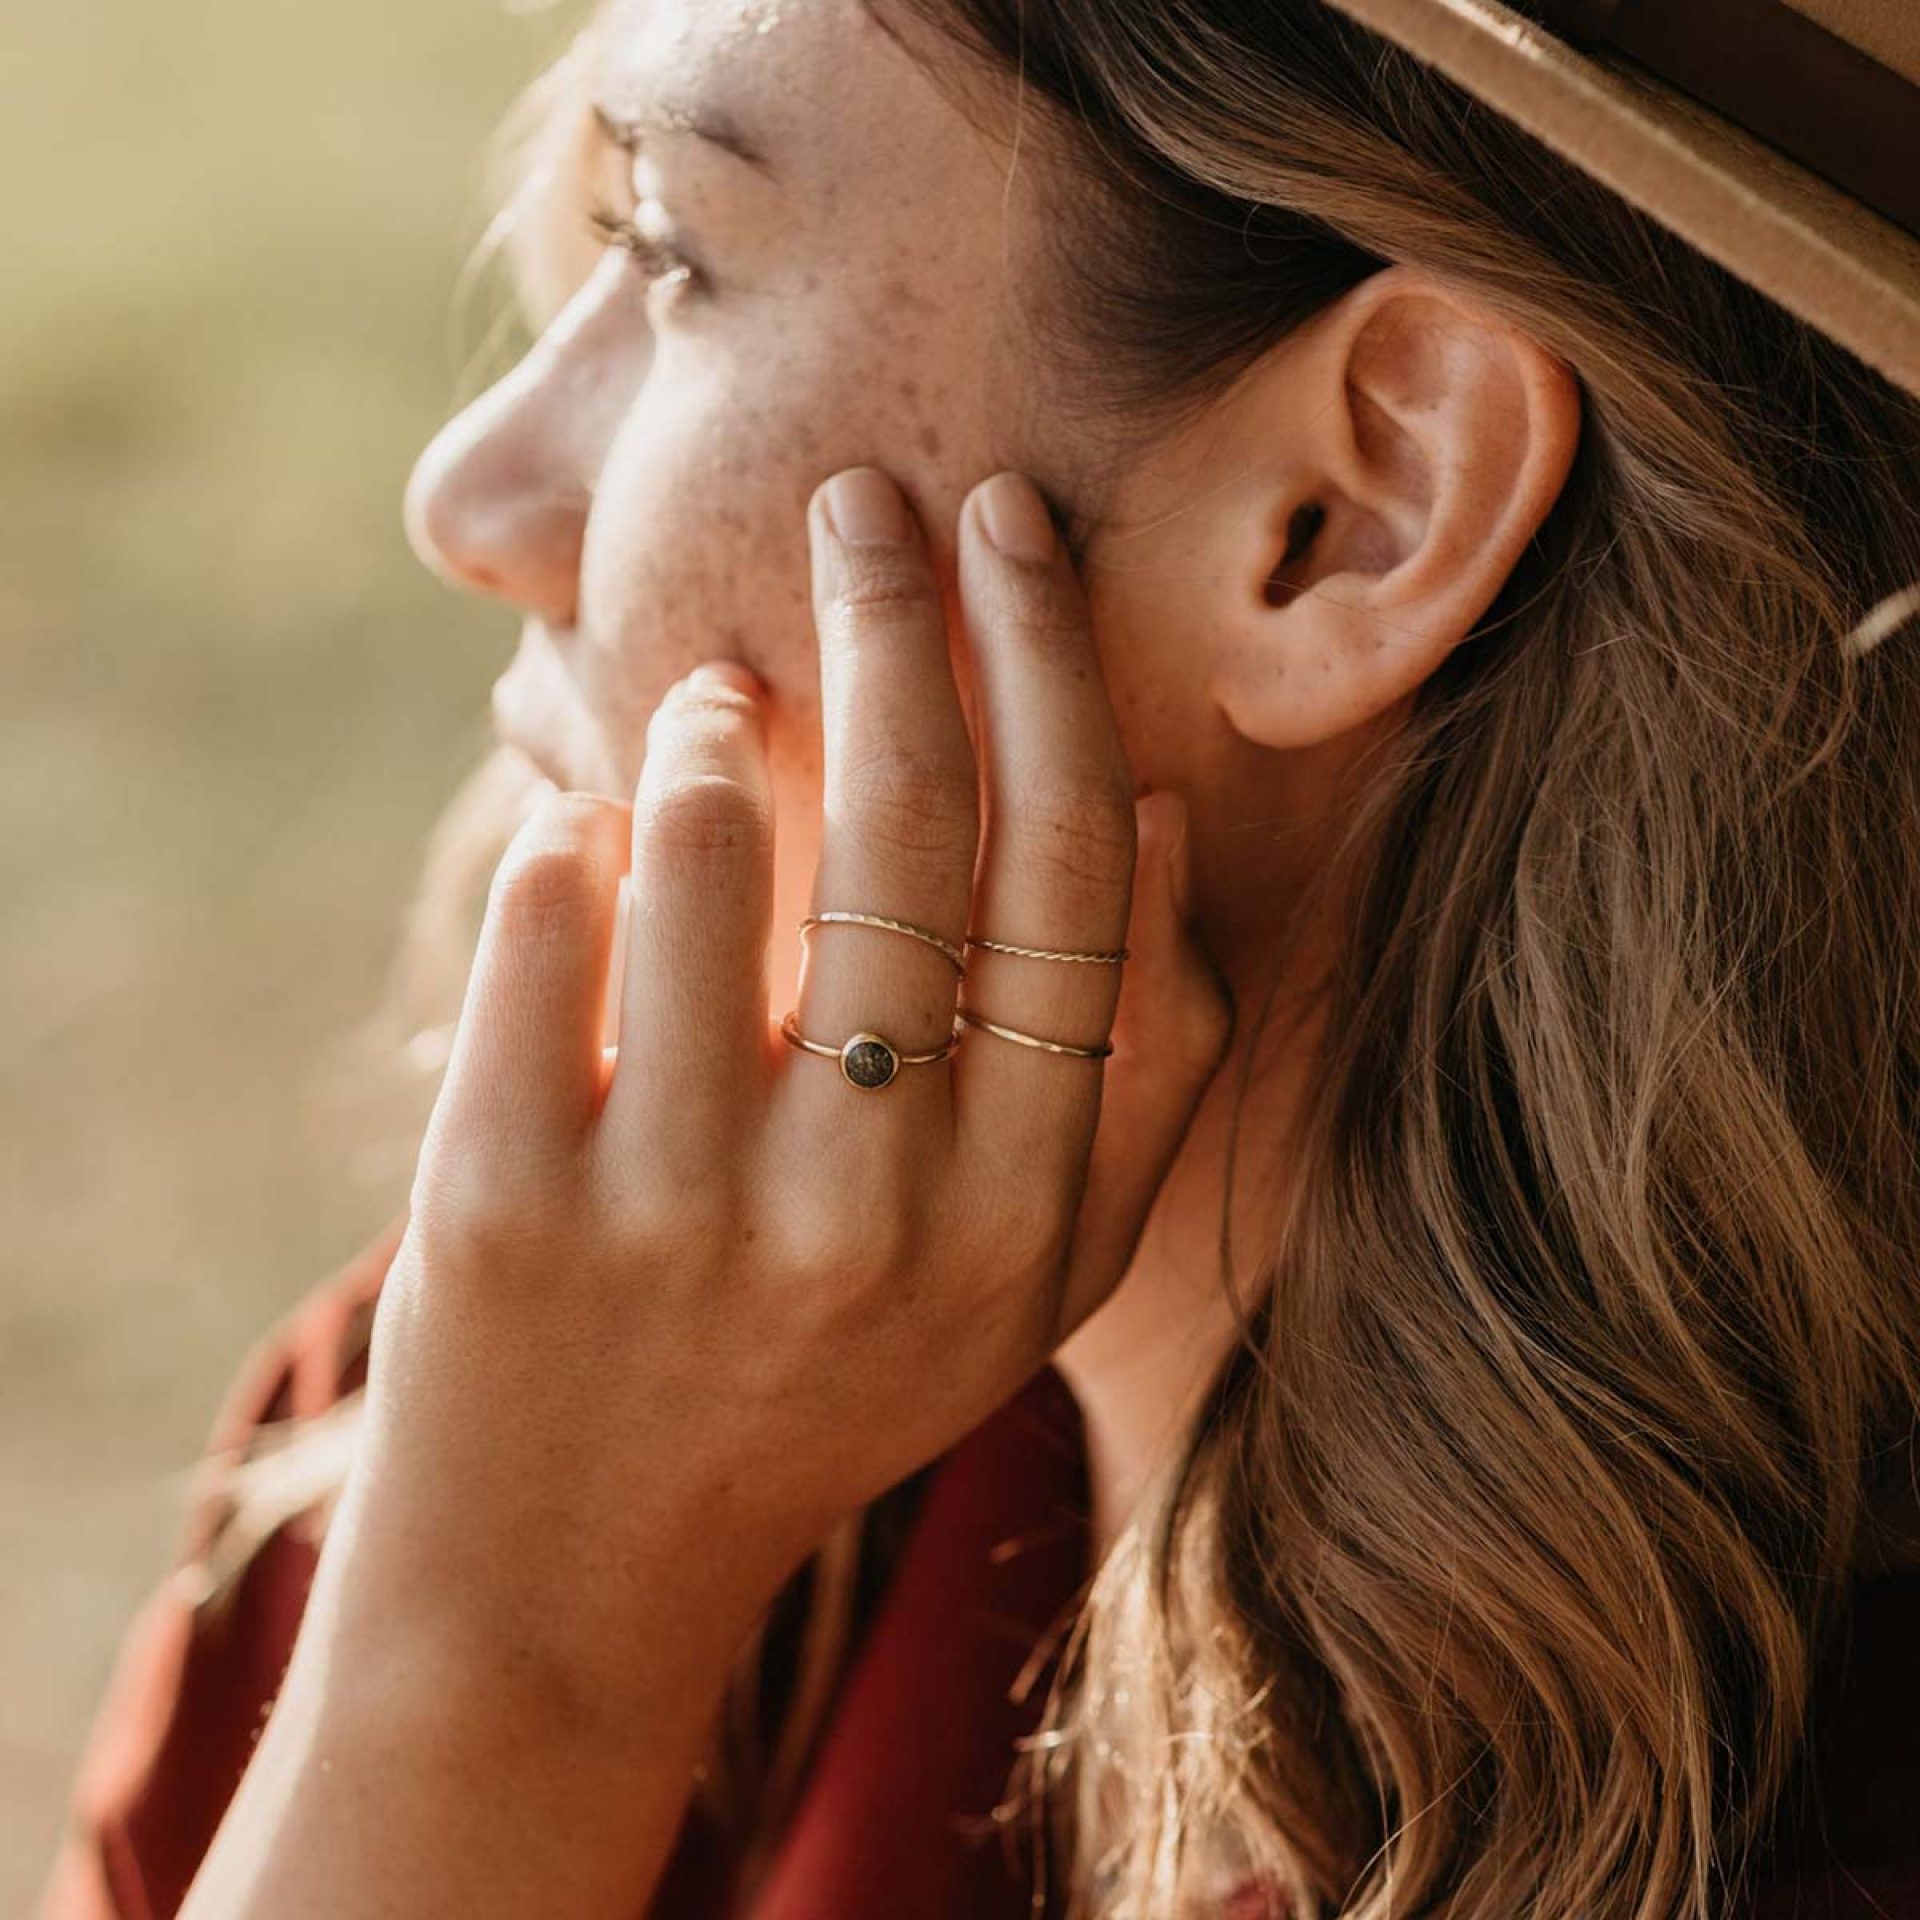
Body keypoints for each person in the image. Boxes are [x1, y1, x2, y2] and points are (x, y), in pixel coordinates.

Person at [37, 0, 1920, 1915]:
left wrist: (511, 1676)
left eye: (673, 253)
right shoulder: (543, 1413)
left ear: (1350, 515)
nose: (469, 500)